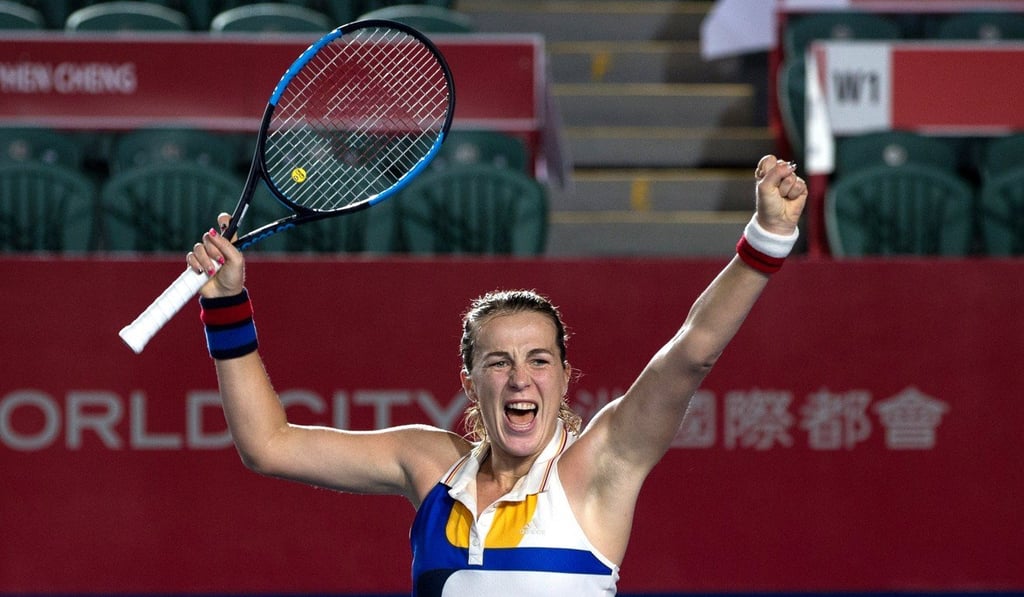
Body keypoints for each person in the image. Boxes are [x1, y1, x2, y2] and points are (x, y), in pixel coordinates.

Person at [187, 154, 807, 596]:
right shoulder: (428, 465)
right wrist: (224, 304)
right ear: (470, 382)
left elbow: (689, 353)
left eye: (539, 360)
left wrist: (768, 238)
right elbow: (267, 446)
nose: (520, 379)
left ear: (566, 377)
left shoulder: (602, 466)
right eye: (498, 362)